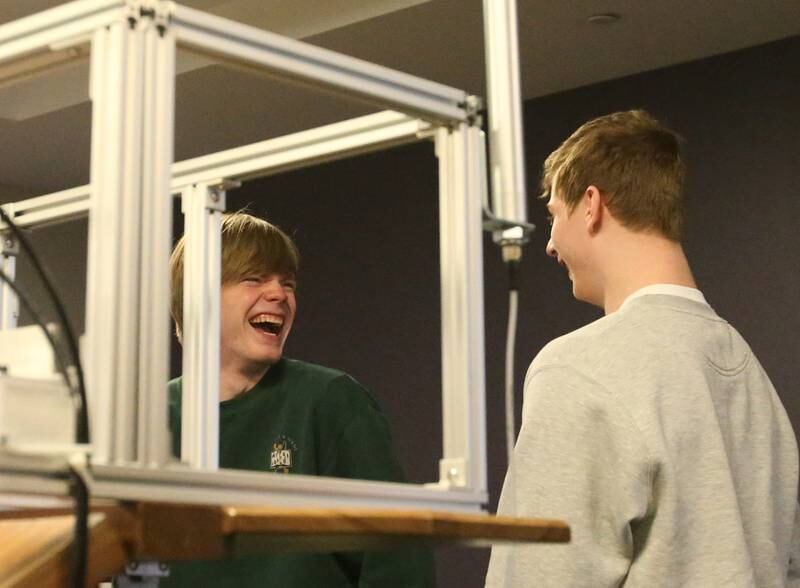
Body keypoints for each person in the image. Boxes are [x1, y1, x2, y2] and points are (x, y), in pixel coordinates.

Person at [485, 110, 800, 587]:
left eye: (554, 215)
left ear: (591, 204)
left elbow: (540, 576)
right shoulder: (751, 378)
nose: (549, 244)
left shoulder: (577, 368)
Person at [163, 212, 435, 587]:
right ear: (196, 298)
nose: (279, 295)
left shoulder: (332, 402)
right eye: (253, 279)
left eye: (287, 283)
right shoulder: (150, 420)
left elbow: (397, 563)